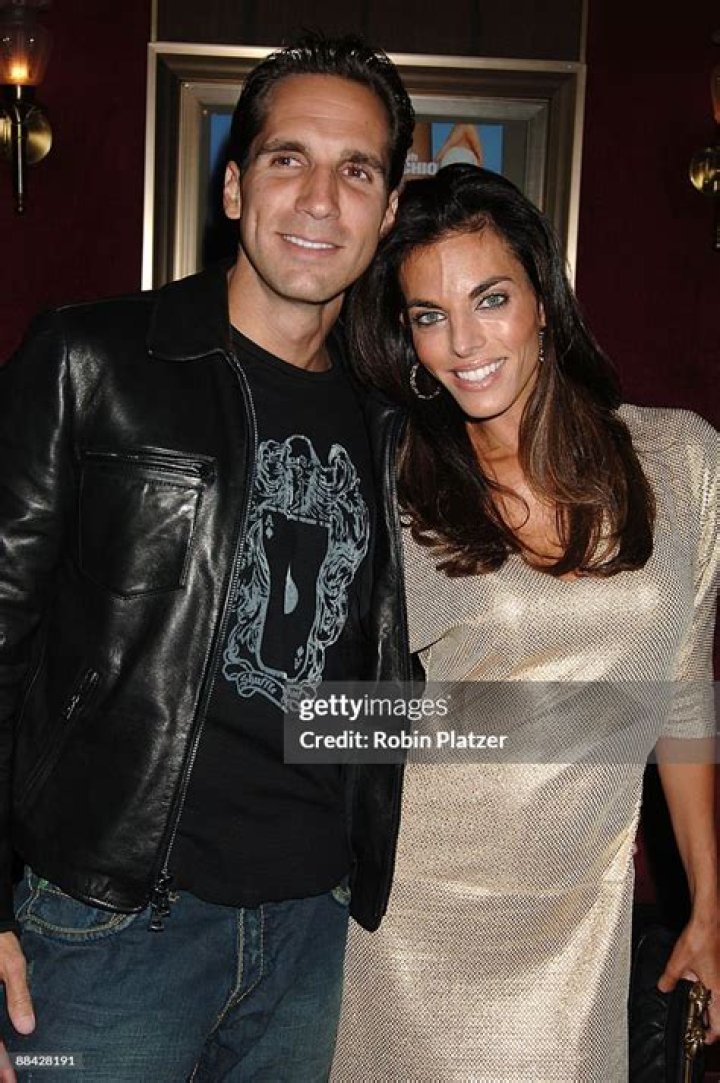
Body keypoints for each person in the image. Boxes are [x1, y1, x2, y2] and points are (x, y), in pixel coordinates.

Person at [0, 32, 415, 1083]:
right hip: (108, 928)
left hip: (312, 937)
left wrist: (600, 722)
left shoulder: (392, 425)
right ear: (234, 187)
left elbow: (371, 681)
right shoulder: (91, 359)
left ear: (388, 212)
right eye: (289, 158)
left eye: (357, 171)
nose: (320, 199)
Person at [331, 164, 719, 1081]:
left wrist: (709, 900)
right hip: (408, 923)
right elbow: (322, 718)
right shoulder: (391, 485)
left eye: (491, 299)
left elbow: (683, 694)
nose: (464, 342)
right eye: (429, 315)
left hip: (576, 926)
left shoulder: (683, 460)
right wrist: (581, 718)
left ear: (542, 297)